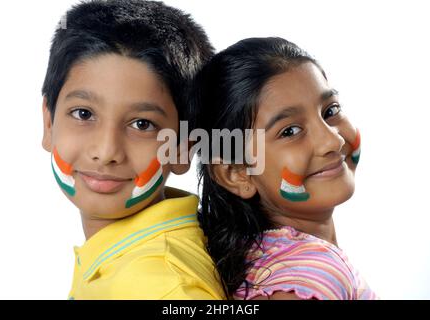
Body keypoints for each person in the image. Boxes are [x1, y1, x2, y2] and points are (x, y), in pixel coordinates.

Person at [41, 0, 224, 300]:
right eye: (84, 114)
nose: (106, 150)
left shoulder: (161, 284)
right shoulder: (132, 261)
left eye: (142, 124)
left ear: (183, 148)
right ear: (48, 123)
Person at [192, 37, 378, 300]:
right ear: (237, 173)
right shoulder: (311, 275)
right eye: (290, 131)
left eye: (330, 110)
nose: (332, 140)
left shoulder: (270, 262)